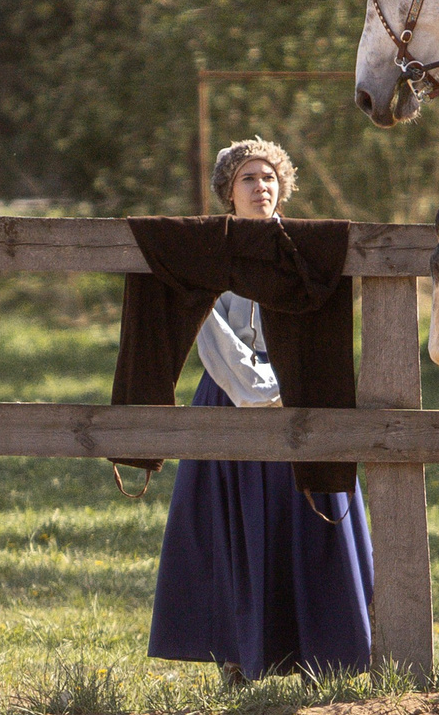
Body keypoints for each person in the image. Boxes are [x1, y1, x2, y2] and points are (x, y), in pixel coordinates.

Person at [147, 138, 376, 681]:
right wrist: (255, 388)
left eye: (269, 177)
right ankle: (237, 656)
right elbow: (207, 327)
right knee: (234, 527)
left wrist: (291, 382)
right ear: (229, 191)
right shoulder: (207, 249)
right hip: (228, 399)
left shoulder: (304, 249)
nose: (261, 187)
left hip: (302, 395)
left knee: (311, 520)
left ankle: (321, 652)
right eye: (248, 179)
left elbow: (321, 319)